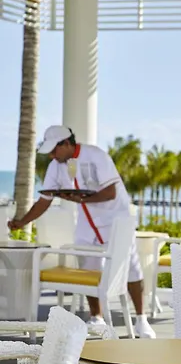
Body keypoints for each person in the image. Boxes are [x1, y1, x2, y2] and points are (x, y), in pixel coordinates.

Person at [8, 125, 156, 338]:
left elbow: (110, 192)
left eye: (54, 150)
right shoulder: (56, 166)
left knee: (131, 268)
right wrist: (22, 222)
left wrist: (81, 199)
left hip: (115, 219)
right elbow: (44, 200)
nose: (51, 155)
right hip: (87, 222)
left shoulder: (96, 155)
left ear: (67, 143)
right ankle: (97, 317)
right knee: (88, 265)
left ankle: (141, 320)